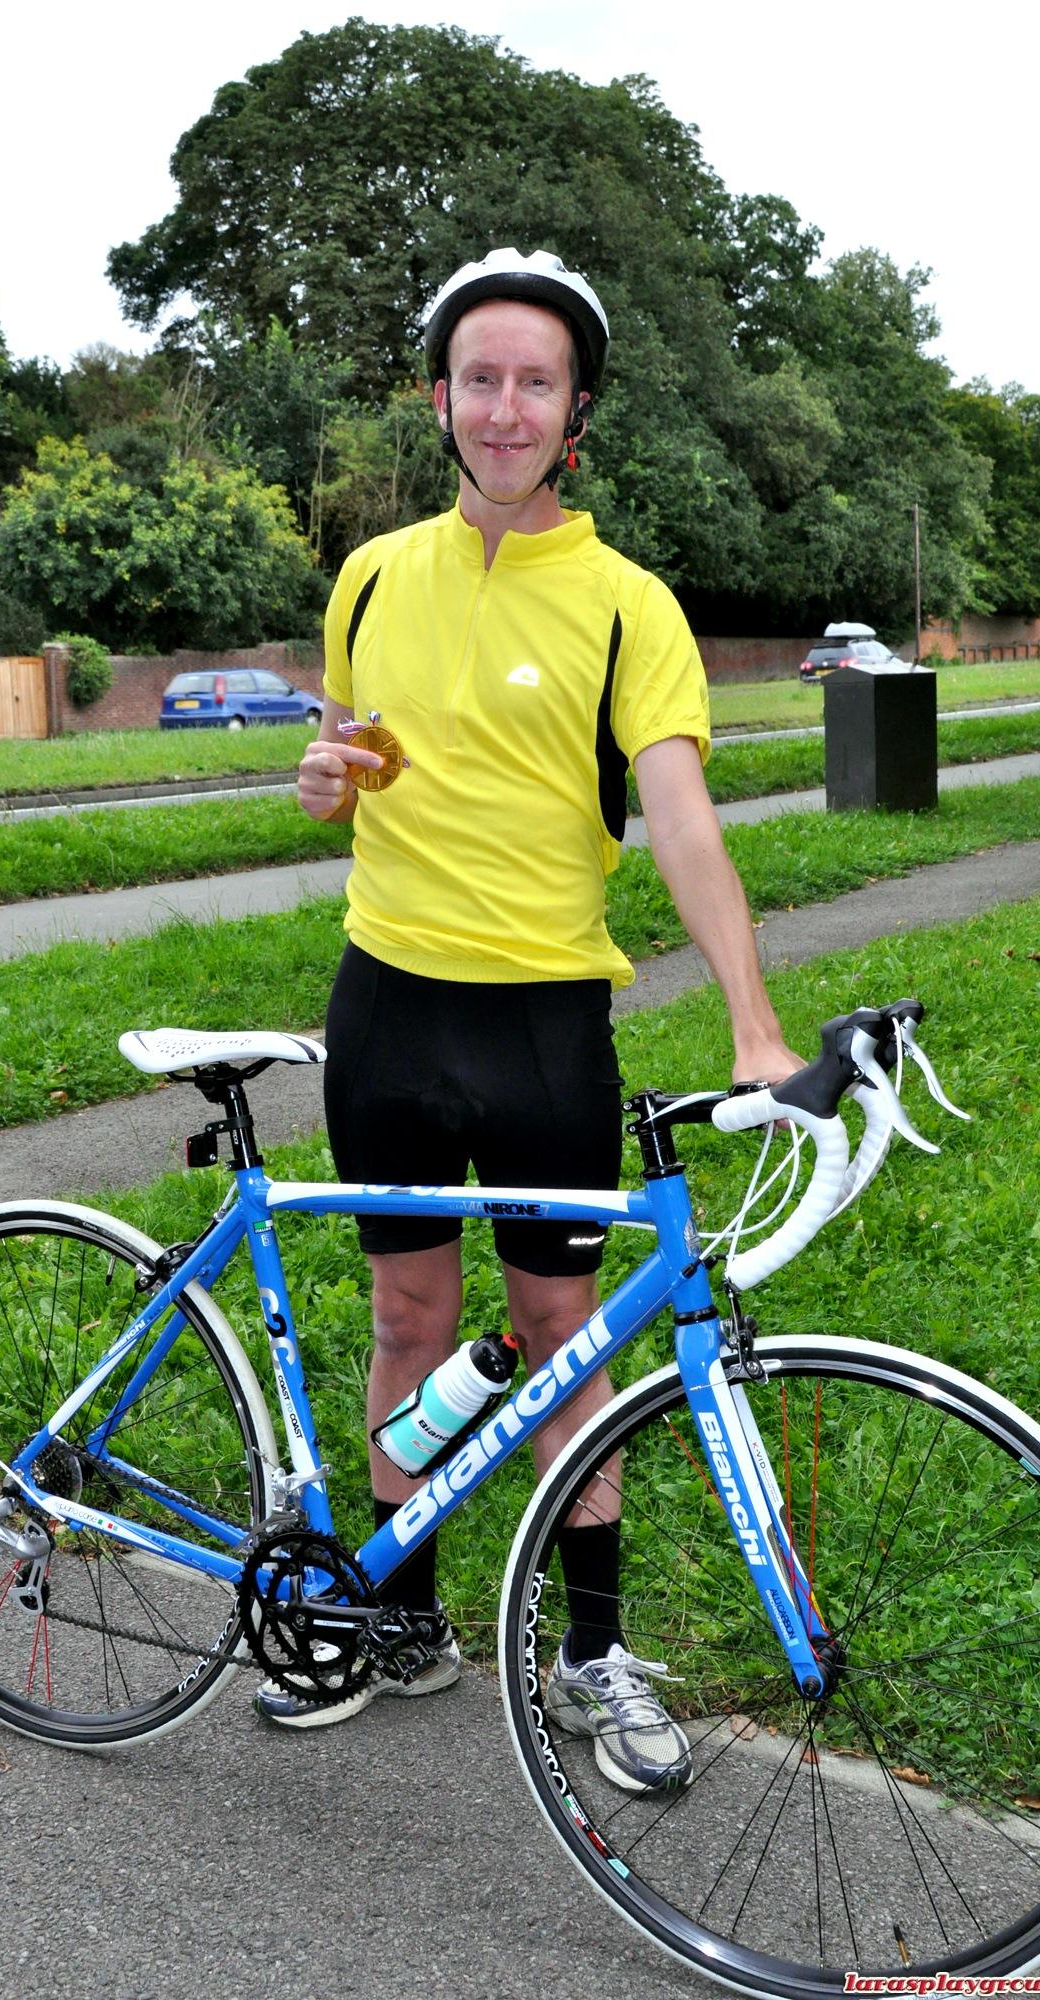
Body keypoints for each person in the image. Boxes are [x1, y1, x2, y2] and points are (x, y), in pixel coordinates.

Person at [254, 249, 801, 1790]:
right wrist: (319, 782)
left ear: (576, 415)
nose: (506, 408)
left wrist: (755, 1026)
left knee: (562, 1336)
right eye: (480, 379)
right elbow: (344, 757)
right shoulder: (370, 575)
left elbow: (681, 820)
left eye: (536, 383)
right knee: (408, 1321)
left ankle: (591, 1655)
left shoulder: (629, 606)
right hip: (388, 1007)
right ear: (441, 399)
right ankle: (399, 1618)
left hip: (548, 1025)